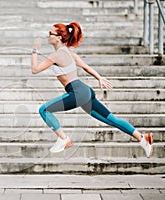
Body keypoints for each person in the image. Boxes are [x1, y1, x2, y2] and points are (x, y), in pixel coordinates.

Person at [30, 22, 153, 157]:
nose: (48, 36)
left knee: (44, 110)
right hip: (85, 91)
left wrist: (35, 50)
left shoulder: (56, 55)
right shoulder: (69, 52)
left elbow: (35, 69)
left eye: (50, 33)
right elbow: (86, 67)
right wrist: (99, 78)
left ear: (58, 37)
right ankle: (142, 138)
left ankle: (64, 139)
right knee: (111, 119)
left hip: (77, 92)